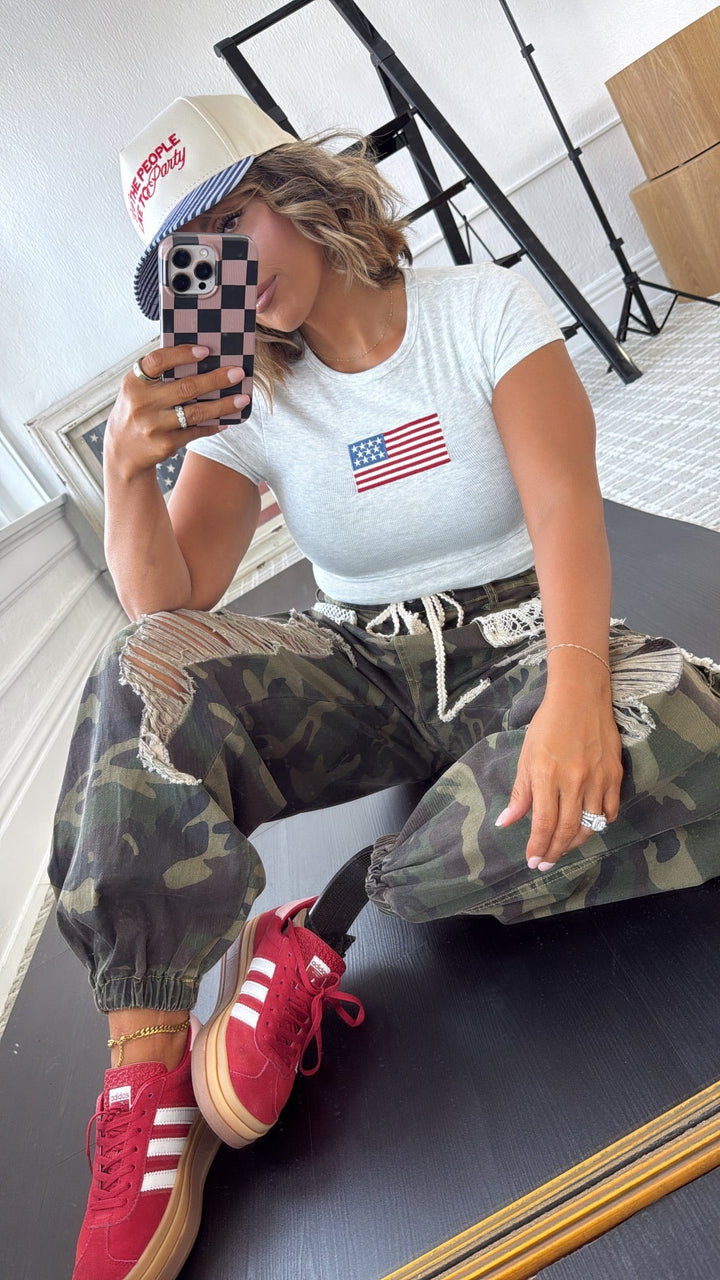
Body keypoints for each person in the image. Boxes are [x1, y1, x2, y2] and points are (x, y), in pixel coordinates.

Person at [50, 94, 720, 1280]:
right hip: (360, 661)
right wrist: (125, 477)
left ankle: (336, 915)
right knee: (135, 674)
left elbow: (566, 505)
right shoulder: (249, 393)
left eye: (233, 224)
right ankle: (150, 1078)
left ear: (302, 191)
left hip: (523, 642)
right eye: (191, 263)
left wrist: (574, 690)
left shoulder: (478, 309)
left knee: (673, 733)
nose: (224, 272)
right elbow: (172, 609)